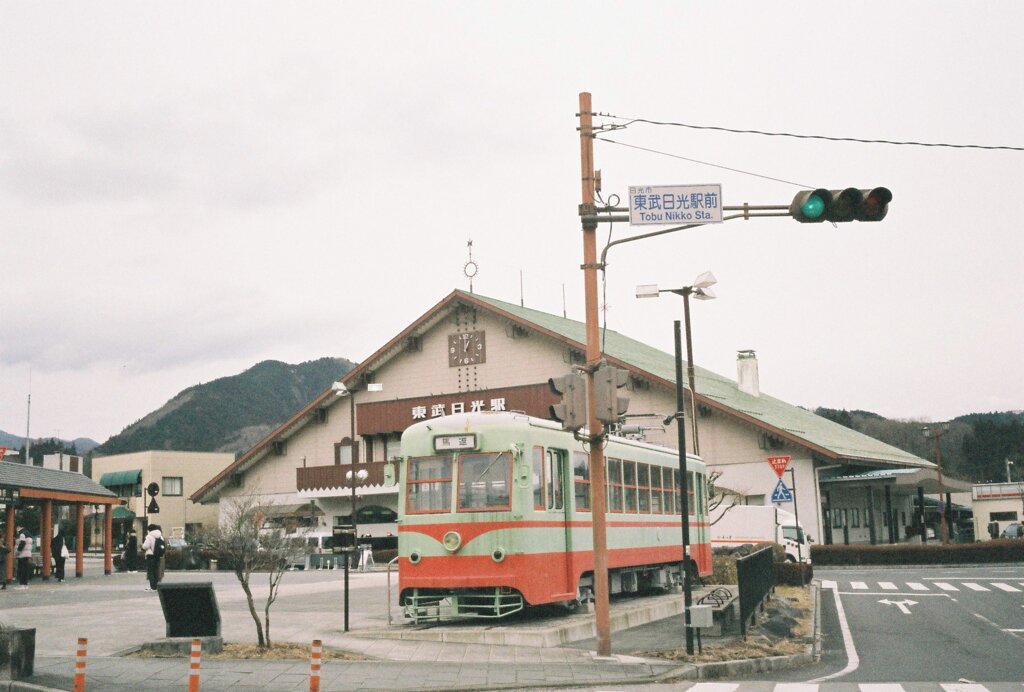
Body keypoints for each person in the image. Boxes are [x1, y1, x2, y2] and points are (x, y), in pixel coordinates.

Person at [141, 523, 163, 591]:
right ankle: (156, 586)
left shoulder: (149, 536)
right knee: (156, 571)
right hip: (157, 555)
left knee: (150, 571)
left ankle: (152, 587)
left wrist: (142, 545)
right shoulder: (160, 536)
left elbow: (145, 546)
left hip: (150, 555)